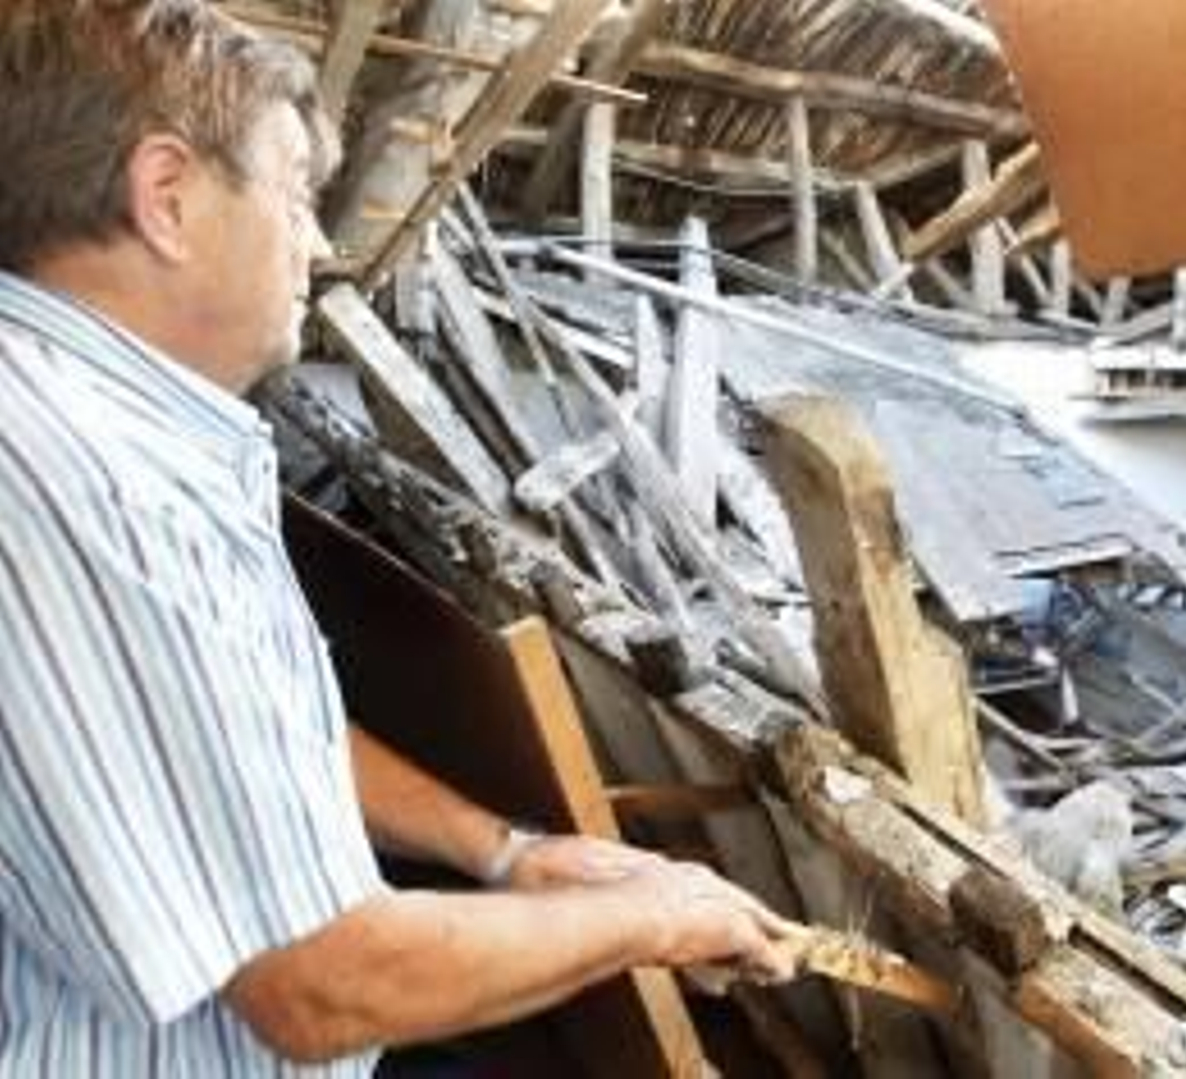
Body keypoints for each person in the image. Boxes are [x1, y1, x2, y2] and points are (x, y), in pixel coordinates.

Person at [0, 2, 793, 1074]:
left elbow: (246, 724)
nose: (320, 245)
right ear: (168, 197)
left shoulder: (115, 435)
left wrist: (505, 851)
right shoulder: (81, 484)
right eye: (293, 195)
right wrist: (657, 913)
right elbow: (322, 982)